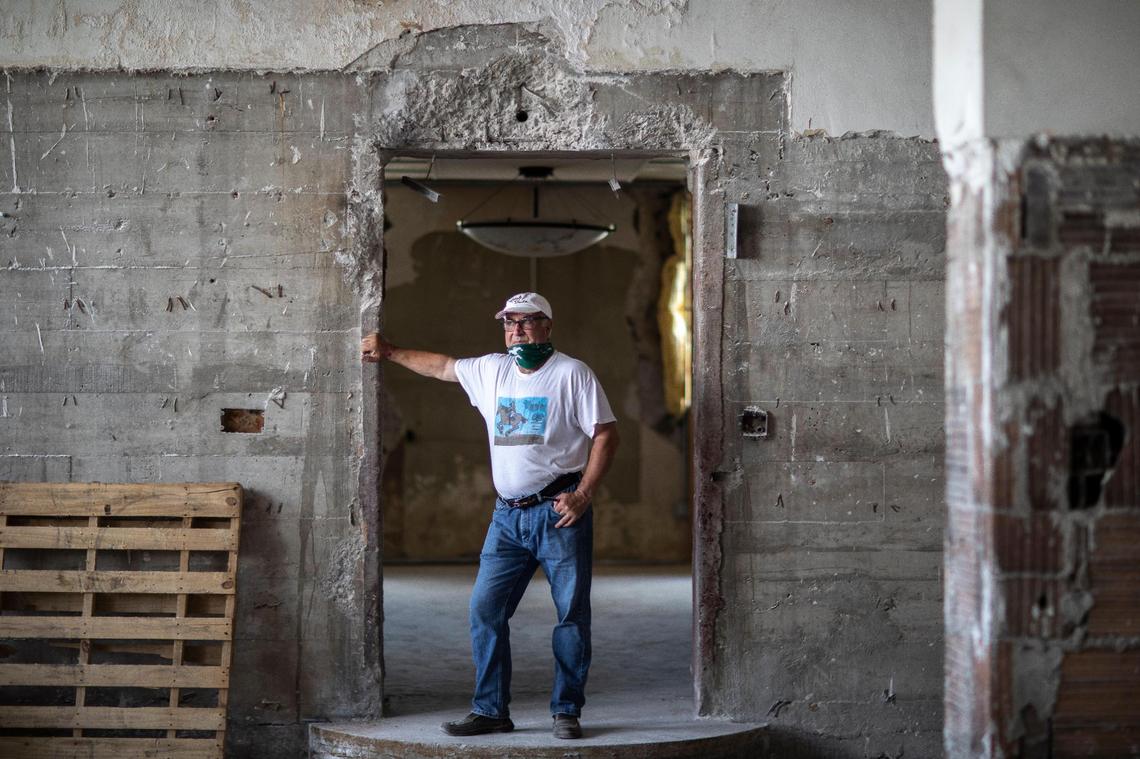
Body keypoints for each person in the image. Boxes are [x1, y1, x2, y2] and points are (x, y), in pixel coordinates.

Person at [361, 292, 620, 740]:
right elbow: (442, 367)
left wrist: (584, 494)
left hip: (559, 514)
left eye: (526, 322)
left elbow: (606, 434)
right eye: (509, 322)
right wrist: (389, 352)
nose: (516, 329)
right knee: (485, 610)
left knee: (570, 616)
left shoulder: (571, 374)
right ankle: (491, 710)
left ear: (547, 327)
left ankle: (566, 711)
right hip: (507, 519)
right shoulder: (492, 370)